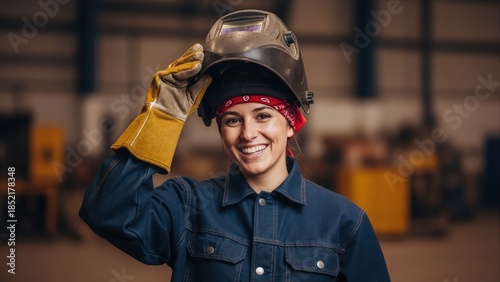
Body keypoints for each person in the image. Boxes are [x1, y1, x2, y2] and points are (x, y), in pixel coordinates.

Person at [79, 9, 390, 281]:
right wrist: (161, 120)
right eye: (232, 120)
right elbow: (108, 212)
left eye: (263, 115)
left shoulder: (344, 222)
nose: (248, 133)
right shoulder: (188, 207)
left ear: (291, 120)